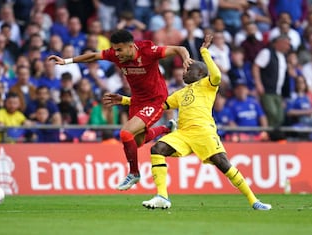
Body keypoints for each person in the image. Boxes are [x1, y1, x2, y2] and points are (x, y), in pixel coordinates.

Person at [104, 34, 272, 210]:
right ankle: (162, 196)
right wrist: (124, 100)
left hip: (203, 132)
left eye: (188, 69)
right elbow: (157, 105)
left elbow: (216, 75)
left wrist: (204, 52)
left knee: (223, 164)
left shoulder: (208, 85)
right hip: (183, 134)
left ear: (200, 73)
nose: (184, 72)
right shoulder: (180, 93)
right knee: (157, 149)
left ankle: (254, 200)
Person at [48, 29, 192, 190]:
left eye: (119, 49)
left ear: (131, 46)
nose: (116, 53)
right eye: (114, 49)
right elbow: (94, 56)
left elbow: (180, 49)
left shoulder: (149, 51)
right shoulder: (115, 54)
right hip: (137, 101)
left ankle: (134, 173)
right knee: (136, 142)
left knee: (125, 133)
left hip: (155, 100)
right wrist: (66, 61)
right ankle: (167, 128)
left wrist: (186, 60)